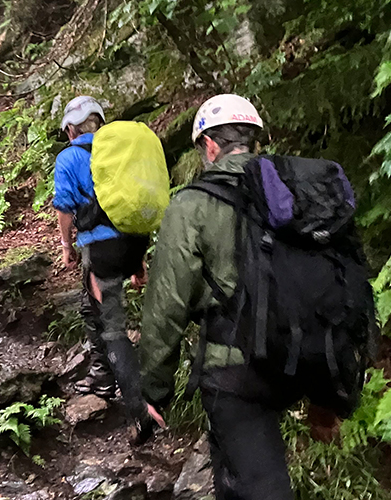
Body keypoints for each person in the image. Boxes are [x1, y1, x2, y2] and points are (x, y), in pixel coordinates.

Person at [139, 94, 374, 499]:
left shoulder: (191, 205)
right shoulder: (291, 193)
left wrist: (153, 390)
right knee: (238, 473)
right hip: (294, 359)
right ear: (255, 143)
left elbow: (167, 306)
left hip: (234, 374)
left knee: (261, 484)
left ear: (209, 146)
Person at [53, 96, 160, 439]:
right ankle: (103, 374)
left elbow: (65, 209)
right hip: (134, 241)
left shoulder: (69, 157)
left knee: (112, 327)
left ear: (70, 129)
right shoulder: (121, 152)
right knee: (93, 309)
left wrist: (67, 247)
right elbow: (130, 204)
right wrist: (139, 262)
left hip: (101, 250)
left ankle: (138, 413)